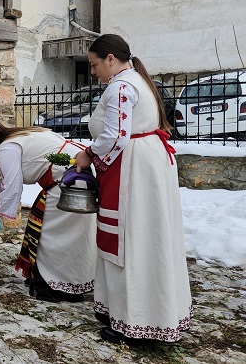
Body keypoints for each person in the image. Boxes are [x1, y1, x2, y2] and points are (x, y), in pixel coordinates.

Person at [73, 34, 191, 344]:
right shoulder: (137, 81)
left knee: (131, 240)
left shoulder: (122, 87)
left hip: (133, 169)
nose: (94, 71)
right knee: (148, 237)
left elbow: (116, 135)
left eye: (95, 65)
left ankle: (135, 319)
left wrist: (88, 155)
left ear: (111, 59)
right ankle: (124, 307)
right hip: (146, 164)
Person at [0, 116, 96, 302]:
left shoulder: (7, 148)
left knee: (52, 237)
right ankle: (63, 284)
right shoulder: (20, 136)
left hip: (67, 183)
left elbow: (12, 187)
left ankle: (60, 288)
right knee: (69, 238)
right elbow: (11, 176)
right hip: (73, 179)